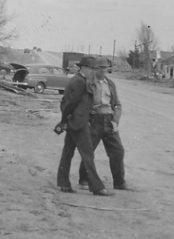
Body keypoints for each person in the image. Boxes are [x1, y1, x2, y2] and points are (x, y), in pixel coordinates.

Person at [54, 55, 113, 196]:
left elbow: (68, 103)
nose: (94, 71)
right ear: (84, 68)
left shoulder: (77, 80)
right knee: (88, 155)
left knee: (67, 153)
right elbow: (70, 104)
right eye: (92, 68)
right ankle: (97, 188)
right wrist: (64, 120)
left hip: (74, 122)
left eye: (95, 69)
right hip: (78, 123)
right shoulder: (80, 82)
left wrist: (66, 121)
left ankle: (64, 184)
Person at [77, 56, 128, 190]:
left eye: (106, 68)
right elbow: (81, 105)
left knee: (118, 151)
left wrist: (115, 122)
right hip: (94, 120)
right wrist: (86, 121)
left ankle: (119, 183)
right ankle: (84, 180)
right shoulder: (87, 83)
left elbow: (117, 105)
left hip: (109, 121)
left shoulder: (110, 84)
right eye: (101, 68)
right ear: (95, 69)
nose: (104, 71)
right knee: (89, 151)